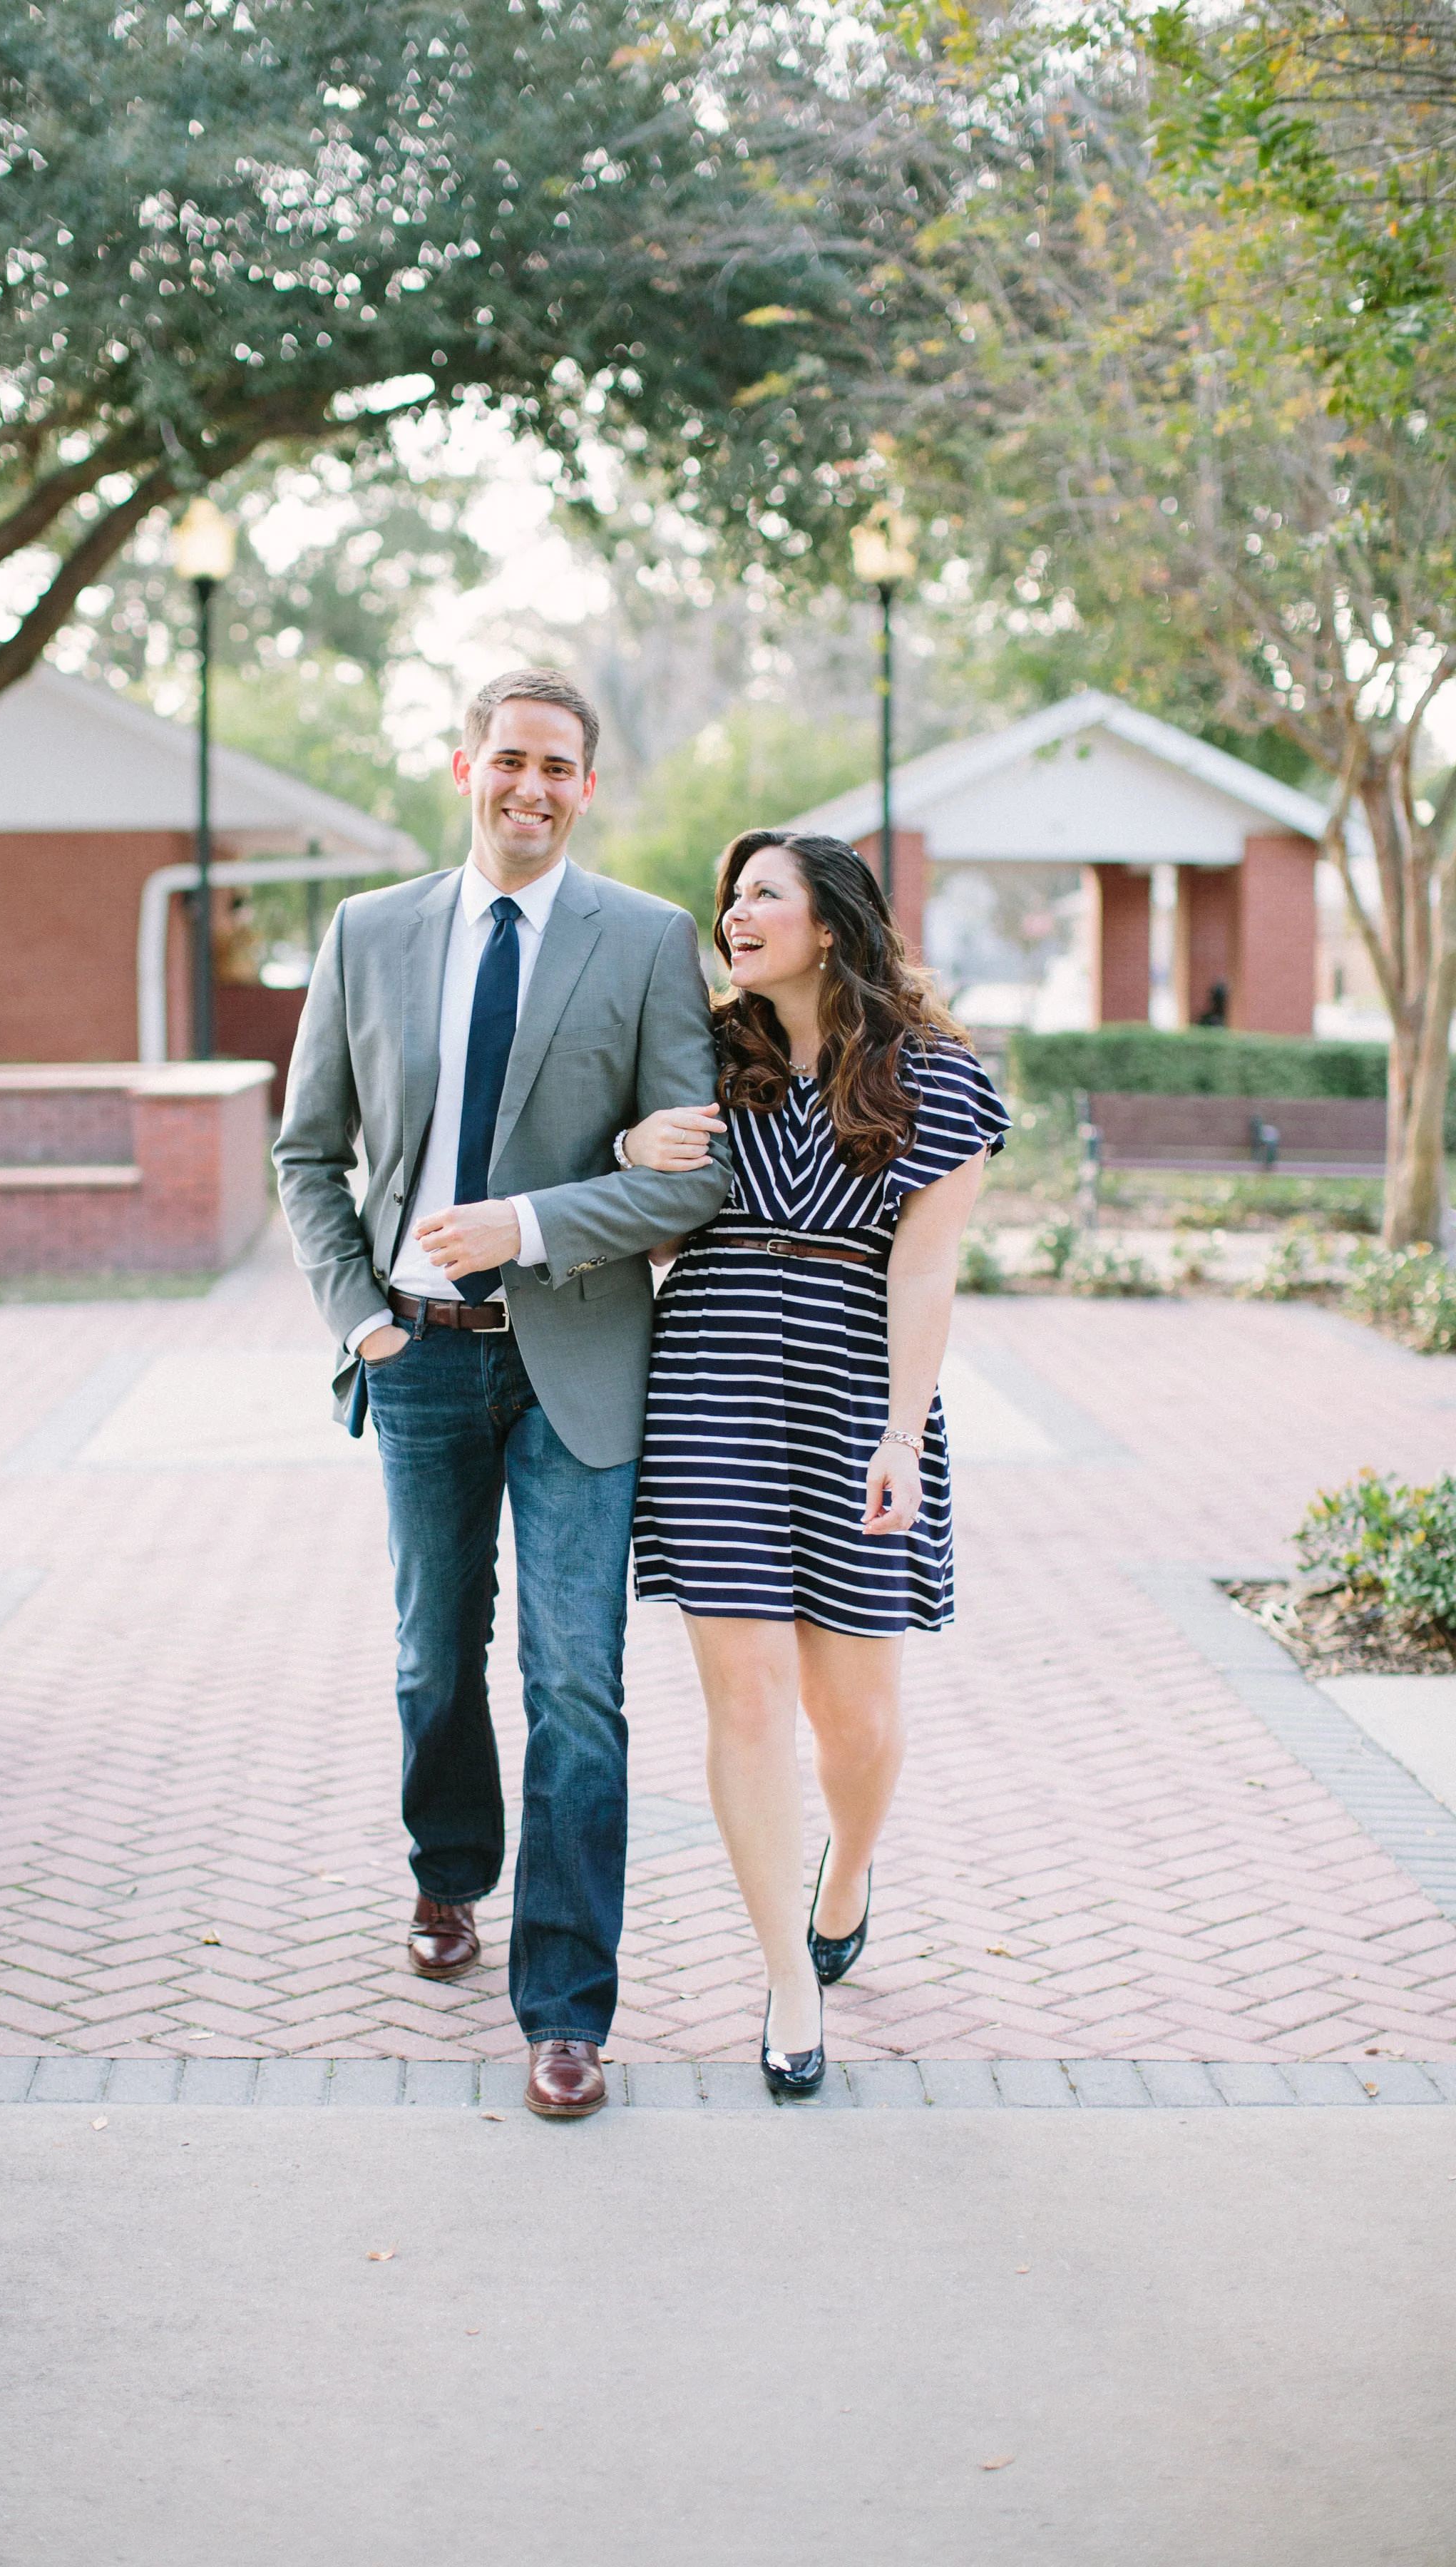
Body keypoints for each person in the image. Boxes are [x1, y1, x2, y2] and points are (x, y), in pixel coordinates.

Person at [274, 670, 731, 2119]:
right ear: (468, 765)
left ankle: (569, 2006)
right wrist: (360, 1320)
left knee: (579, 1688)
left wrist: (528, 1224)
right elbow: (306, 1155)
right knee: (431, 1661)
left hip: (581, 1363)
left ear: (588, 789)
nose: (532, 788)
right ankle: (449, 1874)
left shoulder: (650, 942)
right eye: (511, 760)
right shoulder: (370, 933)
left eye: (561, 769)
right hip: (420, 1357)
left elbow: (700, 1174)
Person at [626, 829, 1008, 2096]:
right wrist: (632, 1154)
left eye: (764, 897)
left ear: (830, 923)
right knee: (743, 1703)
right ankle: (788, 1977)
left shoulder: (937, 1078)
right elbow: (623, 1174)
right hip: (711, 1388)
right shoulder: (700, 1051)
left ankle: (849, 1868)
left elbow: (926, 1267)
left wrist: (903, 1431)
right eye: (729, 896)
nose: (735, 914)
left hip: (852, 1396)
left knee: (854, 1718)